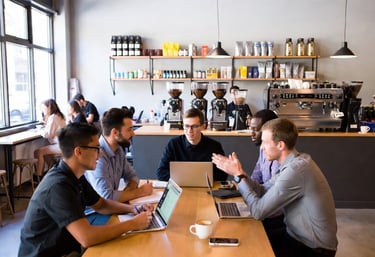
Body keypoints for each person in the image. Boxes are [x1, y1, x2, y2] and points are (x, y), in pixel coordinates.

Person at [18, 123, 153, 257]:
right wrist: (133, 224)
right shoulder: (58, 186)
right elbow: (87, 237)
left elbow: (101, 205)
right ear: (79, 152)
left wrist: (133, 209)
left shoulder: (75, 175)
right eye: (96, 149)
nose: (100, 155)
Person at [212, 118, 337, 257]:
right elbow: (263, 190)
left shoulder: (296, 170)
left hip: (312, 249)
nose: (261, 147)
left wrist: (238, 176)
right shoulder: (293, 163)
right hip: (294, 237)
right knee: (246, 239)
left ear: (280, 145)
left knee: (248, 249)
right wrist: (240, 173)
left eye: (265, 142)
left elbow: (258, 212)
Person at [85, 108, 153, 203]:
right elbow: (107, 197)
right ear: (115, 133)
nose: (133, 133)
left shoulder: (118, 149)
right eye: (129, 130)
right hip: (95, 214)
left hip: (112, 208)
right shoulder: (97, 156)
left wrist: (128, 193)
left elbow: (132, 176)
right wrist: (140, 192)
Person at [156, 108, 227, 181]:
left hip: (205, 188)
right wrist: (188, 178)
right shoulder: (173, 144)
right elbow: (161, 173)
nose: (190, 131)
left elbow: (223, 175)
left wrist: (194, 178)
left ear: (203, 126)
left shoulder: (214, 146)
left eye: (194, 126)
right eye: (186, 126)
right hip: (181, 187)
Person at [34, 99, 66, 176]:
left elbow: (48, 134)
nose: (42, 110)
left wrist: (39, 131)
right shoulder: (59, 115)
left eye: (44, 108)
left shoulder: (53, 117)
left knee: (38, 152)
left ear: (49, 107)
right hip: (65, 144)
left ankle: (39, 176)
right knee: (46, 154)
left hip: (60, 146)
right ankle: (51, 172)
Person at [248, 109, 279, 183]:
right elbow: (256, 178)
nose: (252, 134)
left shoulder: (280, 156)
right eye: (251, 129)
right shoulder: (263, 148)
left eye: (256, 130)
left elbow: (273, 190)